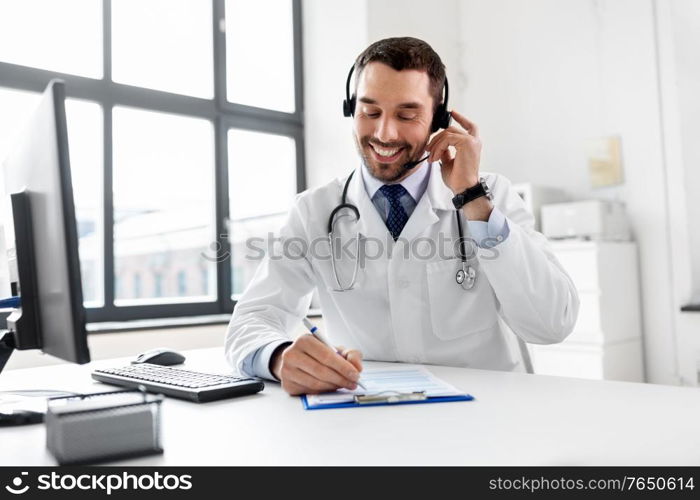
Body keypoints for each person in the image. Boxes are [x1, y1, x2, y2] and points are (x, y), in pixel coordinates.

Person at [225, 37, 579, 396]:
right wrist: (279, 357)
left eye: (407, 115)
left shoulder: (493, 196)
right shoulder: (315, 211)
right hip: (368, 418)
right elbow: (252, 320)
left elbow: (552, 324)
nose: (384, 133)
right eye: (370, 112)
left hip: (484, 418)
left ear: (439, 120)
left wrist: (473, 199)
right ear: (351, 108)